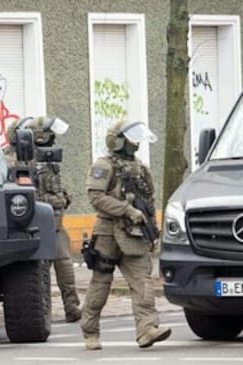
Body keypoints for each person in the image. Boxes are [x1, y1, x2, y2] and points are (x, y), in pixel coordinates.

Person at [81, 120, 170, 350]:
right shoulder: (104, 166)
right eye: (131, 138)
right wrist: (127, 210)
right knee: (101, 282)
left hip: (135, 233)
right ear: (118, 140)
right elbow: (96, 198)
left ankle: (147, 328)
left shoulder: (140, 168)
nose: (135, 143)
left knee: (143, 280)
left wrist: (152, 232)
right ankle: (90, 331)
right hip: (107, 233)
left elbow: (149, 202)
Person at [30, 116, 81, 322]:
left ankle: (72, 307)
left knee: (65, 265)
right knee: (40, 271)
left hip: (57, 224)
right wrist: (55, 200)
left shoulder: (49, 159)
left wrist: (64, 196)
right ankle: (42, 312)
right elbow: (28, 194)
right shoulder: (24, 160)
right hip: (38, 225)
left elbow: (54, 185)